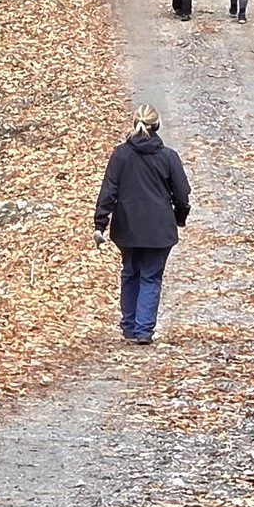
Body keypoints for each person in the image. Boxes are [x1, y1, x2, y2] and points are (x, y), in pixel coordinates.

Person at [94, 104, 189, 345]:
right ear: (157, 126)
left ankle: (129, 326)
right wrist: (180, 217)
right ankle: (143, 329)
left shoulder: (121, 155)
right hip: (159, 229)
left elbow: (108, 191)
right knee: (151, 276)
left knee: (130, 272)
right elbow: (182, 195)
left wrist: (100, 224)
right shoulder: (168, 157)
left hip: (127, 227)